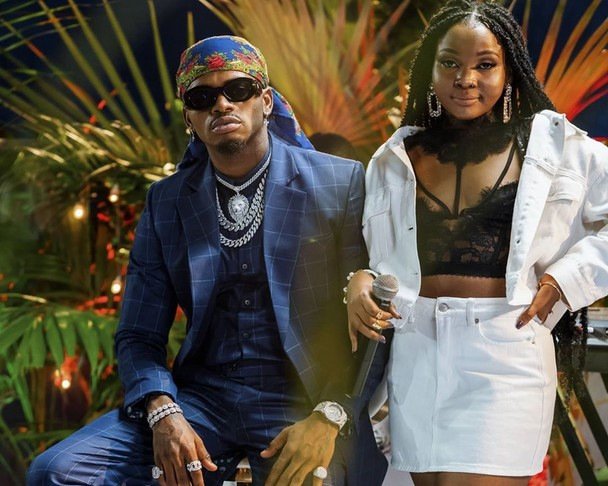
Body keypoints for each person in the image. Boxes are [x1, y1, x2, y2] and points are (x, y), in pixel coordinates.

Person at [28, 36, 389, 486]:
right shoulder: (167, 201)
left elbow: (374, 325)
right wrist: (163, 411)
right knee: (56, 472)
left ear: (266, 101)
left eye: (237, 90)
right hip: (201, 402)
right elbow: (139, 334)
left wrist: (329, 415)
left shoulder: (338, 182)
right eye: (202, 98)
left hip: (302, 399)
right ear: (190, 119)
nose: (221, 104)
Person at [345, 1, 608, 485]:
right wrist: (360, 279)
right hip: (417, 353)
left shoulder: (552, 145)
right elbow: (375, 255)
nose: (466, 79)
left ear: (509, 71)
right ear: (431, 69)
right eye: (450, 63)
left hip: (504, 353)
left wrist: (565, 280)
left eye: (485, 65)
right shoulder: (393, 157)